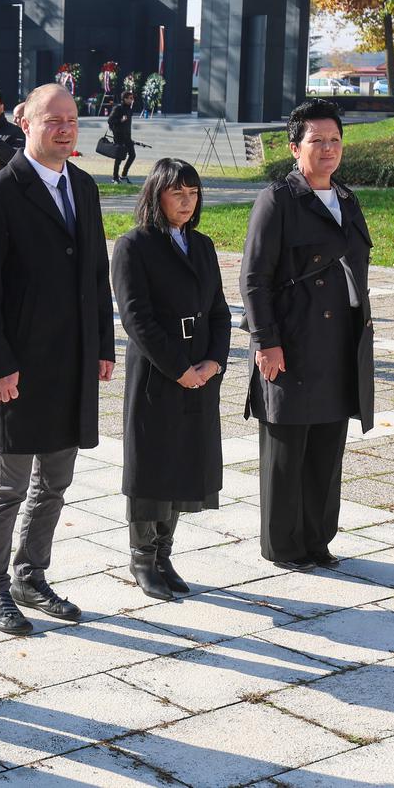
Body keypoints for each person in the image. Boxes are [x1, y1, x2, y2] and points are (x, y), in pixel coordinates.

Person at [0, 84, 114, 636]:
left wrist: (102, 344)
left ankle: (32, 575)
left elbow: (96, 273)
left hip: (72, 364)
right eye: (54, 120)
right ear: (24, 122)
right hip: (20, 368)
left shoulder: (83, 186)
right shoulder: (1, 194)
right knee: (10, 482)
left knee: (55, 480)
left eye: (72, 119)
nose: (65, 129)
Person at [240, 99, 374, 572]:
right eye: (317, 141)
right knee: (287, 449)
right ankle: (284, 544)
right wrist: (265, 340)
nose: (328, 150)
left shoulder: (348, 199)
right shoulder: (277, 200)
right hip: (292, 342)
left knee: (326, 447)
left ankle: (318, 538)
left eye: (335, 141)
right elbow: (253, 278)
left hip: (342, 344)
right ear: (295, 147)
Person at [111, 159, 231, 599]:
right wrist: (179, 369)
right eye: (177, 192)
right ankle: (142, 556)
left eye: (193, 193)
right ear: (156, 195)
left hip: (200, 373)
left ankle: (164, 553)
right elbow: (136, 319)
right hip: (158, 374)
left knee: (184, 459)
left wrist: (213, 362)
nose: (187, 201)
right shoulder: (134, 246)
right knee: (152, 464)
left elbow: (219, 310)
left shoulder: (201, 245)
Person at [108, 91, 137, 183]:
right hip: (119, 136)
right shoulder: (118, 108)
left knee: (132, 155)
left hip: (127, 136)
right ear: (125, 99)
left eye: (132, 98)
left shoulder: (129, 109)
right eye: (130, 98)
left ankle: (124, 175)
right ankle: (115, 177)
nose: (132, 100)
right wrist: (120, 120)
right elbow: (110, 120)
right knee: (119, 157)